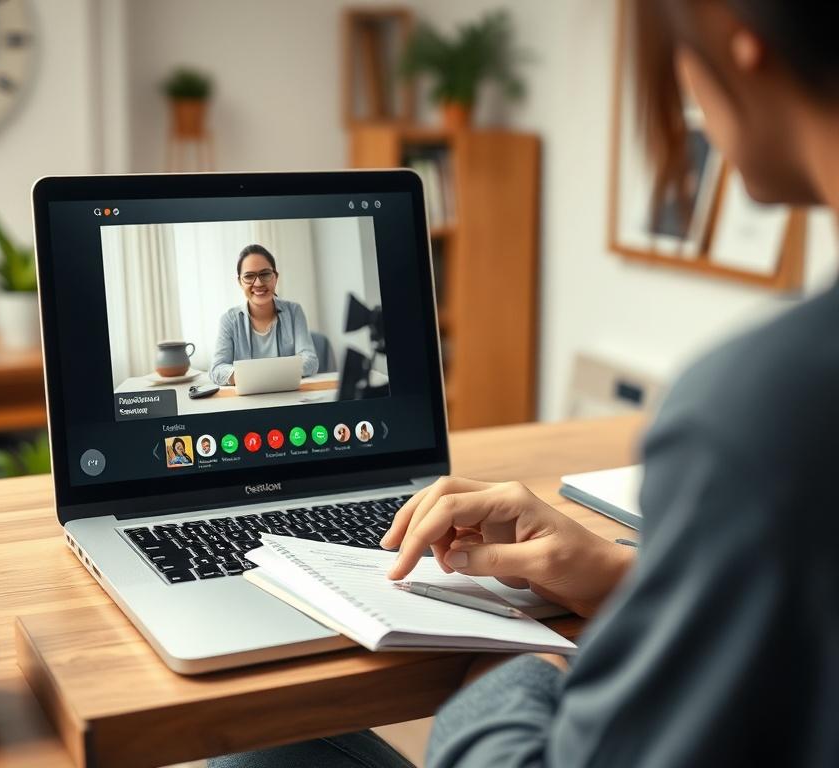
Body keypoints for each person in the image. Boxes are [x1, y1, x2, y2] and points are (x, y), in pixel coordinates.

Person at [210, 1, 839, 766]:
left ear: (737, 38)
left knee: (256, 752)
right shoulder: (775, 408)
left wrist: (516, 661)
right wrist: (618, 576)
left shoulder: (756, 416)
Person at [209, 244, 318, 386]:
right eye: (249, 276)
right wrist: (270, 375)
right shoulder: (229, 320)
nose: (258, 283)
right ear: (240, 282)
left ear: (275, 277)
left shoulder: (294, 311)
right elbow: (217, 369)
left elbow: (310, 360)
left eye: (265, 274)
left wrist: (257, 375)